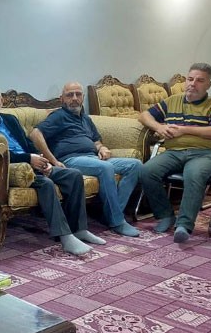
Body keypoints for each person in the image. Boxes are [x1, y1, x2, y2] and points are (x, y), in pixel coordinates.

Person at [0, 85, 105, 255]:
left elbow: (27, 143)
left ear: (1, 101)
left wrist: (42, 160)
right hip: (11, 170)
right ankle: (65, 237)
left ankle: (79, 229)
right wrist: (29, 159)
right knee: (46, 184)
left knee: (74, 175)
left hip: (32, 163)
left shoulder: (10, 119)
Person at [30, 82, 142, 237]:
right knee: (106, 168)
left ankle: (111, 213)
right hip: (72, 159)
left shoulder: (86, 119)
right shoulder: (58, 116)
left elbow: (96, 140)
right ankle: (117, 221)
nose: (74, 98)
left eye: (78, 94)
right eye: (70, 95)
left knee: (135, 165)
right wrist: (53, 161)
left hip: (93, 158)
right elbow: (35, 134)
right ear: (62, 99)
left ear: (83, 97)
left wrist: (102, 148)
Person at [138, 63, 211, 242]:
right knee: (146, 171)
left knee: (193, 173)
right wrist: (159, 127)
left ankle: (184, 225)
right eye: (190, 79)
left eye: (200, 80)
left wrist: (183, 130)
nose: (193, 84)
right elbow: (144, 115)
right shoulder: (173, 100)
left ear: (208, 84)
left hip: (206, 153)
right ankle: (165, 215)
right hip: (174, 152)